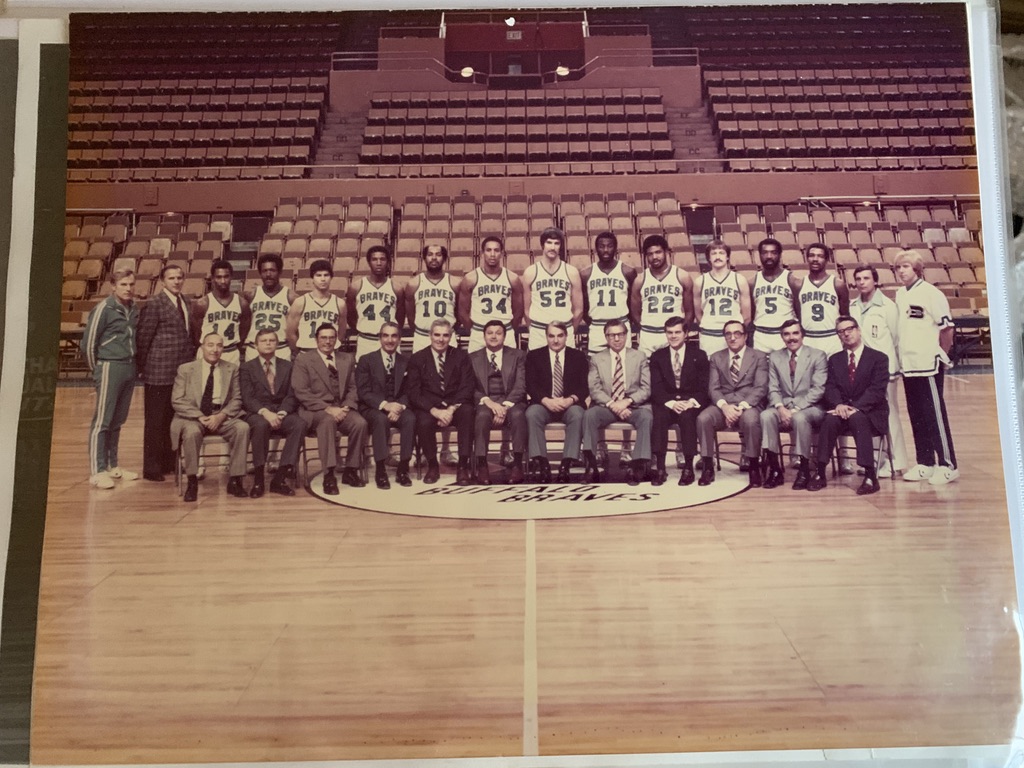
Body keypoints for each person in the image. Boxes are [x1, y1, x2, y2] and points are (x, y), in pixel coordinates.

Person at [894, 249, 959, 485]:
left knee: (934, 414)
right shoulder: (900, 294)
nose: (901, 271)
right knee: (916, 414)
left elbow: (947, 328)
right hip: (909, 365)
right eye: (898, 267)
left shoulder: (932, 293)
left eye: (905, 266)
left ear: (917, 269)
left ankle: (948, 465)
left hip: (928, 364)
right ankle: (925, 462)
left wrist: (942, 353)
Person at [807, 316, 890, 495]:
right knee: (829, 420)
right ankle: (820, 471)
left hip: (870, 412)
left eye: (849, 329)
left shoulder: (879, 358)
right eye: (841, 331)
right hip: (842, 410)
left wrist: (856, 407)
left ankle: (870, 475)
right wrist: (838, 404)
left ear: (858, 330)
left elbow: (877, 390)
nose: (846, 334)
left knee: (858, 419)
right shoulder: (835, 359)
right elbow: (830, 387)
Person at [170, 333, 250, 502]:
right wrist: (200, 416)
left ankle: (235, 480)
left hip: (220, 415)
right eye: (210, 345)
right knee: (191, 433)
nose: (215, 349)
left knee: (242, 428)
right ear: (202, 347)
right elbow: (177, 400)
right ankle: (192, 481)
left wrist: (221, 416)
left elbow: (237, 399)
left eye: (219, 346)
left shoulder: (231, 368)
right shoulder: (186, 369)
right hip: (193, 416)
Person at [291, 323, 368, 494]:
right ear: (316, 340)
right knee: (327, 422)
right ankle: (329, 474)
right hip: (315, 411)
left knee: (360, 423)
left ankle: (351, 470)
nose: (328, 341)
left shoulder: (347, 358)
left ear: (336, 340)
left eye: (331, 338)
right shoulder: (303, 359)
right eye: (323, 338)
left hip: (342, 409)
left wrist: (346, 406)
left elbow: (354, 387)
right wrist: (328, 409)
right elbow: (301, 391)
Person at [136, 263, 196, 481]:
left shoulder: (186, 302)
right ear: (162, 281)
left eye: (179, 278)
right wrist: (142, 367)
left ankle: (168, 463)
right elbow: (144, 337)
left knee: (173, 420)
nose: (176, 281)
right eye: (171, 278)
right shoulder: (155, 303)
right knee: (155, 421)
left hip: (180, 372)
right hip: (158, 371)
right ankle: (151, 468)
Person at [82, 267, 140, 489]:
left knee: (118, 420)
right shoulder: (103, 308)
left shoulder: (133, 308)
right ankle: (97, 471)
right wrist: (97, 371)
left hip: (129, 366)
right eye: (123, 284)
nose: (128, 288)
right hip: (109, 366)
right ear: (113, 286)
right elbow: (88, 344)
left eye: (131, 284)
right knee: (102, 421)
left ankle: (112, 465)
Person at [850, 264, 909, 477]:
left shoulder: (888, 306)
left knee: (889, 414)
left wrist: (894, 365)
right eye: (858, 278)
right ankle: (875, 461)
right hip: (862, 371)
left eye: (866, 278)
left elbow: (896, 338)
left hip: (885, 371)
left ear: (875, 280)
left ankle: (897, 462)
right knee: (868, 416)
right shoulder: (852, 306)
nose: (862, 282)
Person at [580, 318, 653, 485]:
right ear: (606, 337)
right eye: (612, 335)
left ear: (627, 335)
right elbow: (594, 389)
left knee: (646, 417)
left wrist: (626, 402)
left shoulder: (639, 357)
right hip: (607, 405)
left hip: (633, 406)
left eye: (620, 334)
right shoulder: (597, 359)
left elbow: (646, 388)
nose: (617, 339)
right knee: (590, 415)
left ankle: (637, 466)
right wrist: (613, 405)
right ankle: (591, 465)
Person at [696, 320, 768, 487]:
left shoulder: (759, 356)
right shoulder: (716, 357)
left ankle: (753, 466)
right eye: (728, 334)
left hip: (748, 405)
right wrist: (725, 407)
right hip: (724, 405)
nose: (733, 337)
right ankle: (707, 466)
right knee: (703, 418)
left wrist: (740, 407)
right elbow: (713, 388)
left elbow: (760, 387)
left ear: (745, 336)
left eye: (737, 333)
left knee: (751, 420)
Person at [405, 319, 476, 485]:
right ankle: (432, 466)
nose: (441, 339)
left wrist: (450, 410)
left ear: (451, 337)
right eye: (437, 335)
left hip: (454, 405)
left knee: (467, 413)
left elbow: (467, 386)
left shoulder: (461, 356)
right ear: (430, 335)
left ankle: (463, 466)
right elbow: (414, 392)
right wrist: (435, 411)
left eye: (445, 335)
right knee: (422, 421)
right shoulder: (417, 358)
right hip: (430, 407)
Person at [760, 320, 827, 490]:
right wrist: (780, 407)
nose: (791, 338)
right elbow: (773, 387)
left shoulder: (817, 355)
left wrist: (796, 408)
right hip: (783, 406)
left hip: (810, 407)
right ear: (782, 337)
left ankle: (804, 470)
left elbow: (818, 389)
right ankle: (775, 469)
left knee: (799, 418)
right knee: (766, 415)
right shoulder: (775, 357)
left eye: (795, 333)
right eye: (786, 334)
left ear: (802, 335)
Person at [239, 329, 305, 498]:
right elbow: (247, 397)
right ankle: (259, 479)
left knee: (299, 424)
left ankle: (280, 478)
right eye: (263, 341)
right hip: (258, 412)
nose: (268, 343)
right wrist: (265, 413)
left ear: (277, 344)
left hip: (282, 411)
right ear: (256, 345)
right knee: (260, 425)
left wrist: (283, 412)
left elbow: (292, 394)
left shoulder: (288, 366)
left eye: (271, 340)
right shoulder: (247, 367)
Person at [524, 321, 589, 483]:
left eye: (560, 336)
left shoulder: (578, 356)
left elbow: (585, 387)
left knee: (578, 414)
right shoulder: (534, 356)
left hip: (569, 404)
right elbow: (531, 384)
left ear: (566, 336)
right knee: (532, 413)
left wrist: (570, 400)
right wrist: (546, 400)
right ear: (546, 337)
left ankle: (566, 464)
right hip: (544, 404)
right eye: (551, 336)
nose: (555, 340)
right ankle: (543, 464)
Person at [649, 315, 710, 486]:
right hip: (668, 402)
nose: (673, 336)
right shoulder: (657, 356)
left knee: (687, 417)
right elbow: (656, 387)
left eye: (677, 332)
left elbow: (704, 387)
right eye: (669, 332)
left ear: (686, 334)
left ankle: (688, 467)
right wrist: (671, 403)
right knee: (659, 415)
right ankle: (660, 468)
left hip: (690, 402)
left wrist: (691, 402)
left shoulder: (699, 355)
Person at [355, 321, 414, 489]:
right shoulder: (366, 360)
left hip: (398, 407)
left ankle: (403, 468)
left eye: (394, 336)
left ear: (400, 339)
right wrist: (385, 405)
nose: (390, 340)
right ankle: (380, 470)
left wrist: (399, 407)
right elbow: (363, 391)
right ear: (380, 338)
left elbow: (410, 390)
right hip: (373, 407)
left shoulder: (406, 361)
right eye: (386, 336)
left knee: (410, 419)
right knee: (381, 421)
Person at [468, 319, 528, 485]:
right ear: (484, 336)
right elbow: (471, 387)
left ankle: (517, 464)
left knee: (518, 415)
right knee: (481, 416)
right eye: (490, 333)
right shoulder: (473, 357)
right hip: (486, 402)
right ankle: (482, 465)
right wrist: (490, 403)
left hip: (511, 402)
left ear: (504, 336)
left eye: (498, 333)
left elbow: (521, 385)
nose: (494, 336)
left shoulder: (518, 355)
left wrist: (505, 406)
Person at [631, 234, 694, 358]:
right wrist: (646, 326)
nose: (654, 257)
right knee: (647, 369)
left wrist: (680, 331)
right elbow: (635, 312)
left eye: (658, 252)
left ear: (666, 252)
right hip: (648, 335)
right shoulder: (640, 279)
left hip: (672, 334)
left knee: (674, 368)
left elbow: (689, 312)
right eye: (650, 254)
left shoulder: (682, 276)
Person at [457, 236, 523, 354]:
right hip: (479, 332)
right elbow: (462, 312)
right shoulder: (470, 278)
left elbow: (518, 311)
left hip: (505, 332)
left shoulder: (512, 278)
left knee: (508, 365)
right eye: (488, 250)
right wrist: (474, 330)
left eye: (496, 250)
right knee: (475, 366)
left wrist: (506, 329)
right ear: (482, 253)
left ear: (501, 253)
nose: (492, 254)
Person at [522, 227, 584, 350]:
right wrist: (534, 329)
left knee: (567, 363)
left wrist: (568, 330)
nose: (552, 247)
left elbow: (579, 310)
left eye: (557, 243)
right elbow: (526, 310)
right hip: (539, 331)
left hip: (564, 330)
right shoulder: (531, 272)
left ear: (561, 246)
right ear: (542, 245)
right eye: (549, 242)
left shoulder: (571, 272)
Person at [581, 232, 637, 354]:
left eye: (610, 246)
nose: (606, 250)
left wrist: (624, 321)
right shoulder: (586, 274)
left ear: (616, 248)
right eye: (601, 246)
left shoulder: (628, 271)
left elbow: (633, 304)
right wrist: (593, 321)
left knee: (623, 363)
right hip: (597, 327)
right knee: (596, 363)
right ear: (596, 249)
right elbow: (584, 306)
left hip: (621, 325)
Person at [692, 239, 750, 356]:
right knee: (710, 366)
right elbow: (698, 314)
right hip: (709, 336)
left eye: (721, 253)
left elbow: (747, 316)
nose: (718, 257)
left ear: (727, 257)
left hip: (733, 335)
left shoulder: (739, 280)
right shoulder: (700, 281)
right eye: (714, 253)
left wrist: (735, 331)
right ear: (708, 258)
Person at [191, 259, 251, 368]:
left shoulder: (242, 303)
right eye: (218, 277)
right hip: (208, 352)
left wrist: (234, 345)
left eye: (226, 276)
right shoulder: (202, 304)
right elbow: (196, 333)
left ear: (231, 277)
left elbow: (244, 332)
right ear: (212, 279)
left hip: (231, 352)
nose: (223, 281)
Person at [348, 244, 402, 360]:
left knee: (391, 371)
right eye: (374, 259)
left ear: (388, 262)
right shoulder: (356, 287)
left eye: (382, 259)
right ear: (369, 262)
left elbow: (400, 317)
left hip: (389, 341)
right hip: (366, 340)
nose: (378, 263)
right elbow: (351, 316)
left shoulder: (396, 288)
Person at [405, 243, 461, 353]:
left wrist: (449, 329)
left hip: (447, 337)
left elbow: (459, 314)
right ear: (424, 258)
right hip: (422, 336)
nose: (434, 258)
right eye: (430, 254)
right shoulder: (413, 284)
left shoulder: (455, 283)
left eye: (438, 255)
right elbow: (411, 316)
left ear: (444, 259)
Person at [796, 243, 849, 357]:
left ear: (826, 260)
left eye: (820, 256)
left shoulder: (838, 284)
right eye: (812, 255)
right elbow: (797, 315)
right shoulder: (799, 284)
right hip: (808, 338)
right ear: (807, 258)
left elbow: (845, 316)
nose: (815, 259)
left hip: (832, 338)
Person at [750, 237, 800, 353]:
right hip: (761, 335)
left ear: (780, 255)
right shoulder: (753, 281)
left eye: (773, 252)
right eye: (765, 253)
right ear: (759, 255)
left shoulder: (791, 280)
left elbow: (799, 311)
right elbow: (751, 313)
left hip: (785, 335)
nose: (769, 256)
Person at [244, 253, 297, 361]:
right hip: (254, 348)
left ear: (280, 272)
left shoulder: (291, 297)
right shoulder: (251, 295)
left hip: (280, 348)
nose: (268, 274)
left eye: (272, 270)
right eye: (264, 271)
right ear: (260, 273)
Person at [285, 259, 344, 355]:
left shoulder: (340, 303)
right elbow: (290, 333)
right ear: (312, 278)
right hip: (306, 351)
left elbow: (341, 333)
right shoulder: (300, 302)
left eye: (326, 275)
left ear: (331, 278)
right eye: (318, 275)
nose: (323, 279)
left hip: (329, 353)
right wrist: (299, 353)